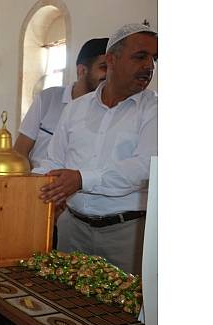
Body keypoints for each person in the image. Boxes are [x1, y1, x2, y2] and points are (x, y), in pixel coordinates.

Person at [32, 24, 158, 275]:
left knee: (121, 312)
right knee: (65, 304)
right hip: (72, 228)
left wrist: (81, 179)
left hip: (126, 235)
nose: (150, 66)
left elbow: (145, 167)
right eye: (140, 56)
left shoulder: (155, 110)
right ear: (111, 59)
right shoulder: (75, 109)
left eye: (154, 58)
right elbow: (52, 161)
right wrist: (24, 191)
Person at [14, 37, 109, 169]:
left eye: (113, 69)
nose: (110, 75)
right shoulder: (48, 99)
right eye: (104, 67)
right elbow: (20, 151)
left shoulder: (109, 111)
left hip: (79, 187)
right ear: (82, 71)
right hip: (36, 182)